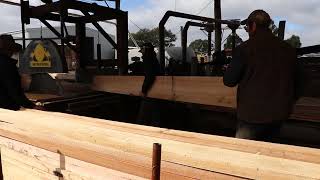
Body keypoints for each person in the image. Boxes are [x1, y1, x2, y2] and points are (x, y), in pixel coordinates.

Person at [223, 10, 303, 141]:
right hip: (279, 115)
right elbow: (301, 82)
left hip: (251, 116)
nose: (248, 30)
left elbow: (229, 81)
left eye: (247, 27)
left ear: (253, 26)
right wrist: (287, 100)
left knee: (244, 154)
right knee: (269, 152)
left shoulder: (244, 49)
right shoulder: (288, 49)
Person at [0, 34, 39, 110]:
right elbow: (14, 91)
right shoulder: (7, 65)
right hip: (7, 107)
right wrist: (32, 106)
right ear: (9, 50)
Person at [137, 43, 161, 126]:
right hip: (156, 91)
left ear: (145, 49)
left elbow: (150, 76)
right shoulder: (153, 58)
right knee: (155, 115)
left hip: (150, 92)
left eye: (142, 50)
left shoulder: (148, 58)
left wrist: (144, 90)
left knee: (144, 118)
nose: (142, 53)